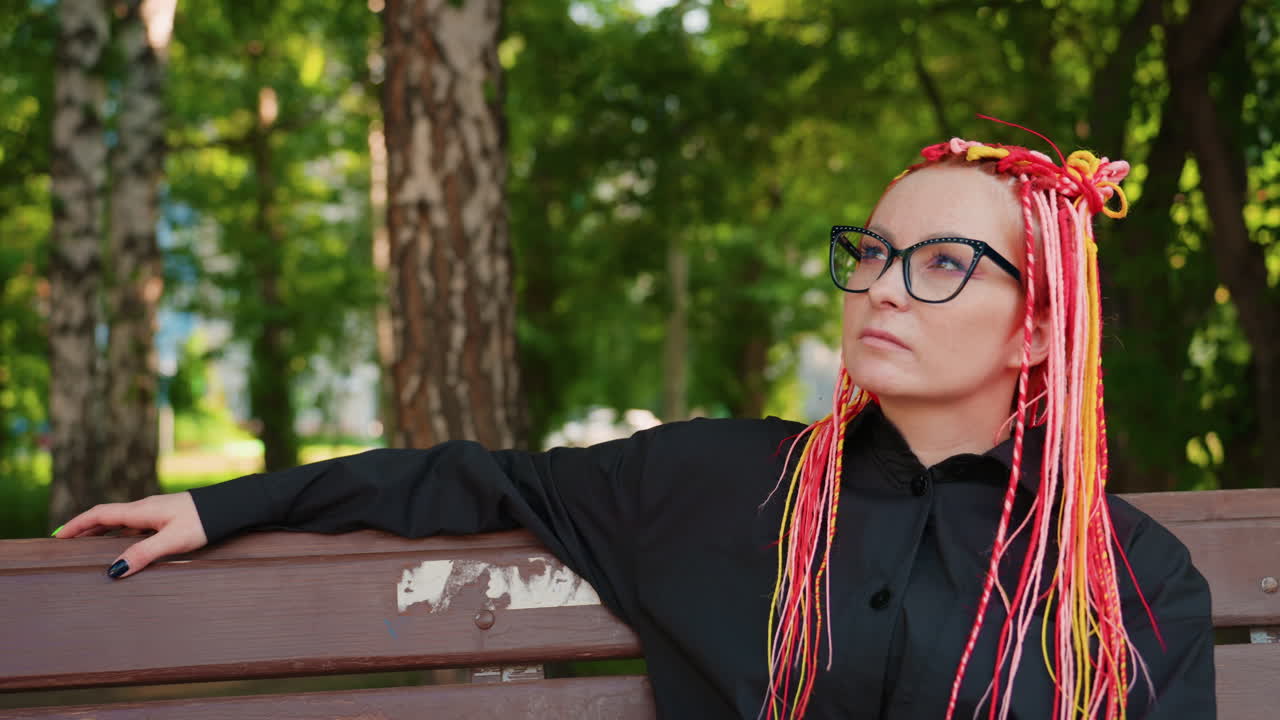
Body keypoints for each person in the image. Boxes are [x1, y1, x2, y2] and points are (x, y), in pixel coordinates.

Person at [55, 131, 1215, 720]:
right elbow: (473, 479)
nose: (881, 289)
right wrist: (220, 504)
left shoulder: (1123, 582)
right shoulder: (712, 485)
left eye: (941, 266)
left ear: (1034, 333)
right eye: (869, 255)